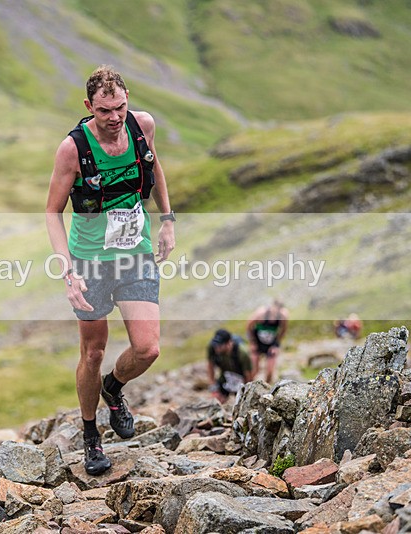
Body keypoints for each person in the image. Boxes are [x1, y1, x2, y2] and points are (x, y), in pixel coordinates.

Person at [45, 66, 175, 476]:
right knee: (94, 351)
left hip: (135, 252)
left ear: (127, 98)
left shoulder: (142, 126)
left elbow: (154, 169)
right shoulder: (73, 149)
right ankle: (90, 435)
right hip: (90, 261)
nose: (115, 117)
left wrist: (168, 219)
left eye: (120, 106)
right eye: (104, 111)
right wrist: (68, 273)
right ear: (89, 107)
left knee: (147, 348)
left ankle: (113, 388)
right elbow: (52, 211)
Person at [246, 299, 289, 383]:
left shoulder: (283, 317)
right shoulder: (261, 313)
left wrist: (276, 345)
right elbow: (248, 326)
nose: (275, 313)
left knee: (270, 371)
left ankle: (267, 391)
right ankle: (247, 387)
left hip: (271, 344)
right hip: (257, 342)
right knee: (254, 370)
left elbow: (283, 330)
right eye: (274, 310)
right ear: (271, 307)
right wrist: (252, 342)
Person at [207, 329, 252, 403]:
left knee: (241, 402)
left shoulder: (242, 353)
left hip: (240, 378)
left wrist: (245, 393)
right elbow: (210, 366)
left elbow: (248, 375)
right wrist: (213, 387)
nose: (216, 348)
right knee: (215, 401)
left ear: (229, 343)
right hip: (225, 377)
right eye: (215, 345)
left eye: (220, 345)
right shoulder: (212, 348)